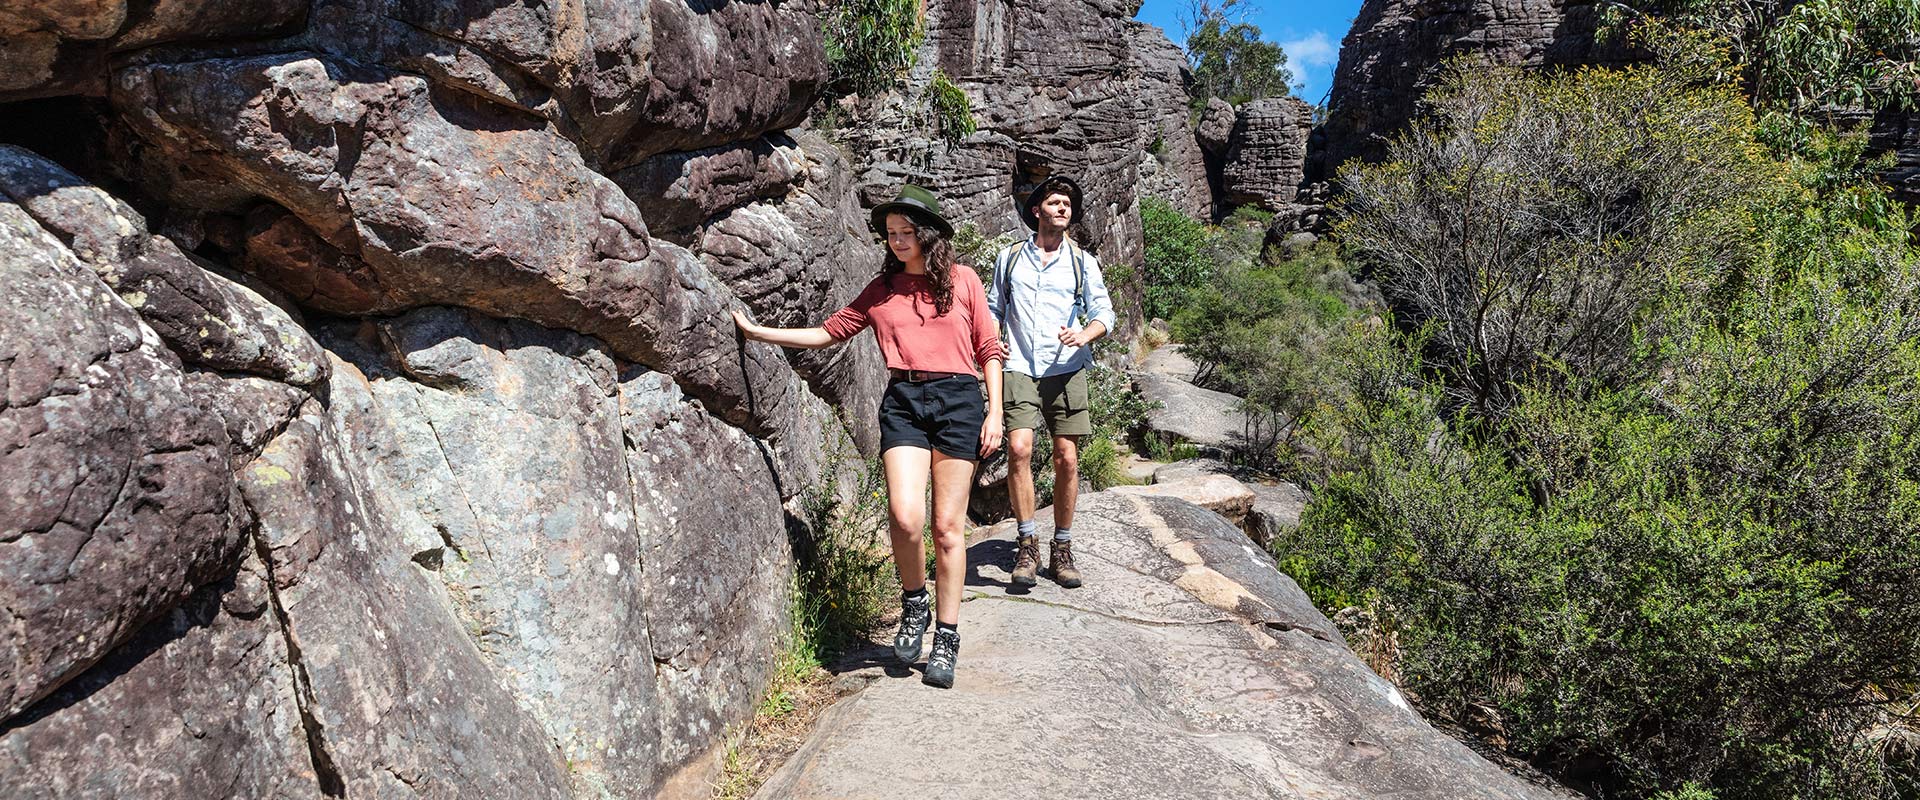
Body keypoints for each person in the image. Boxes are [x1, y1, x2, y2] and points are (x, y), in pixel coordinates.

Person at [731, 184, 1004, 689]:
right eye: (891, 234)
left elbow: (988, 347)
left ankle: (946, 636)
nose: (897, 241)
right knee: (904, 517)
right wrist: (759, 333)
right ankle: (914, 600)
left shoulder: (963, 281)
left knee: (947, 528)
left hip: (961, 404)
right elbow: (828, 332)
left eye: (906, 232)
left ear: (928, 234)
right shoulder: (882, 289)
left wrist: (996, 413)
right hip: (903, 401)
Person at [987, 175, 1115, 590]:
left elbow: (1104, 313)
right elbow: (993, 307)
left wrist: (1084, 334)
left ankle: (1062, 547)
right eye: (1055, 202)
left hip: (1067, 368)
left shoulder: (1083, 262)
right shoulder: (1009, 259)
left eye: (1068, 205)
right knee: (1020, 448)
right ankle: (1027, 543)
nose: (1063, 208)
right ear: (1037, 210)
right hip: (1020, 364)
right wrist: (992, 342)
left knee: (1067, 459)